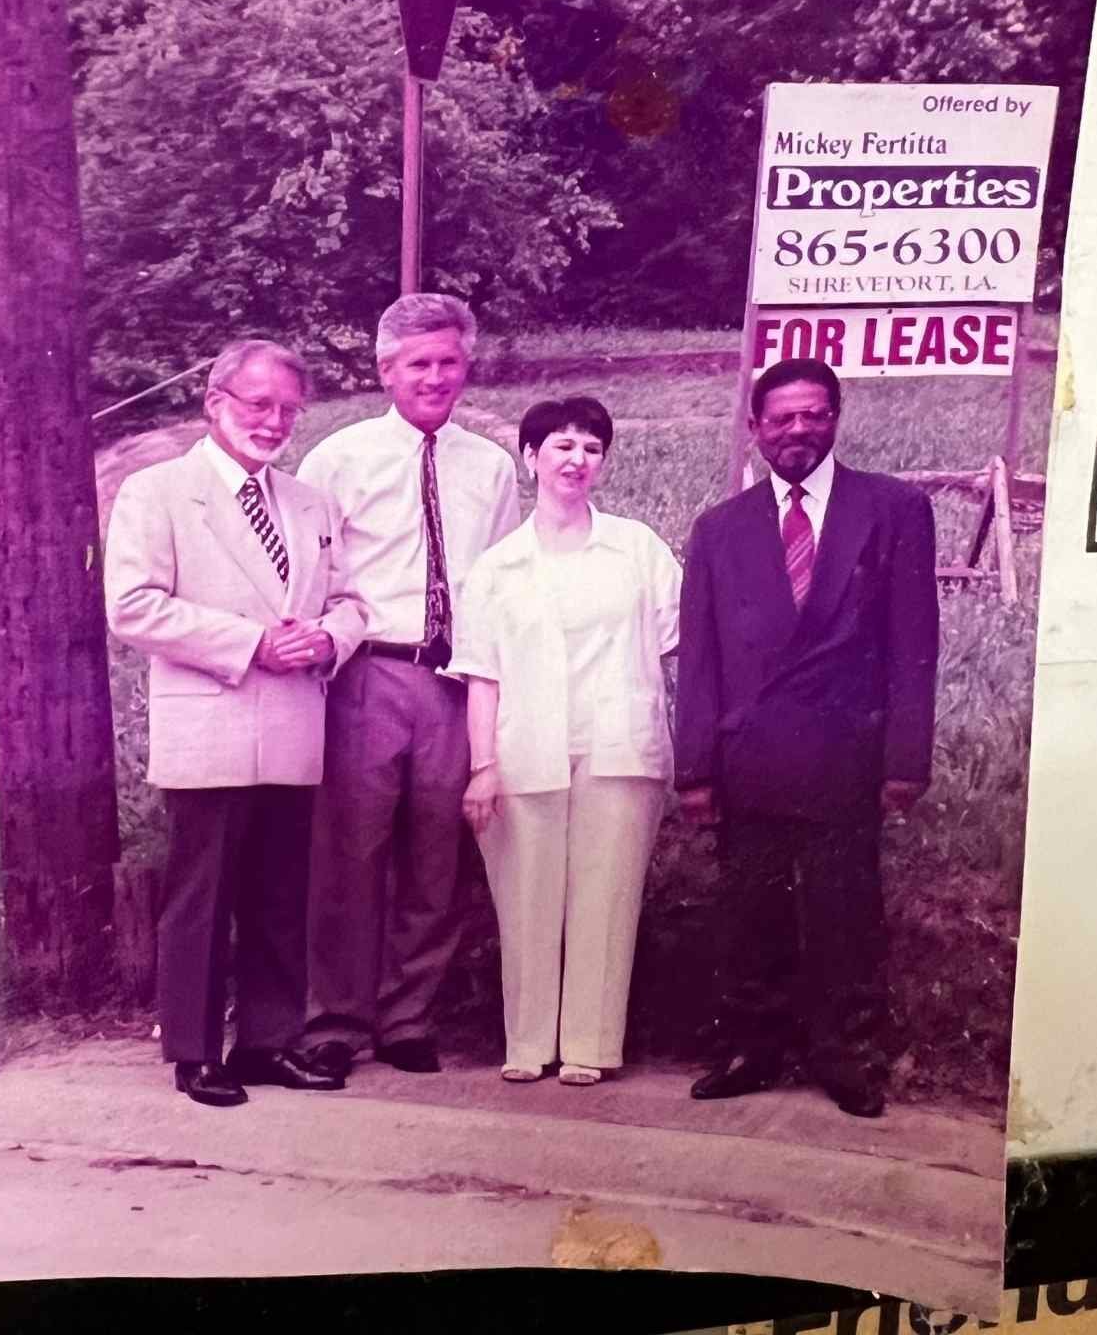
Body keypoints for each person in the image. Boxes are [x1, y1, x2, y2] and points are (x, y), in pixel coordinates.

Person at [103, 338, 366, 1109]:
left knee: (283, 896)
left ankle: (266, 1042)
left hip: (293, 723)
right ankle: (193, 1050)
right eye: (258, 404)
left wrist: (329, 639)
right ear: (214, 401)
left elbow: (350, 602)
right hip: (210, 723)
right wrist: (252, 643)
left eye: (288, 409)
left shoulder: (310, 502)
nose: (274, 421)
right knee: (203, 896)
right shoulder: (156, 492)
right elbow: (133, 605)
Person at [675, 356, 939, 1120]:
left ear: (835, 418)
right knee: (749, 914)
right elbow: (702, 659)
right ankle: (750, 1049)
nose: (798, 430)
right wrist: (696, 769)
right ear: (755, 430)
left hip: (846, 756)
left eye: (813, 414)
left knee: (843, 915)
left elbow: (914, 646)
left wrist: (905, 761)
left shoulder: (891, 510)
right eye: (781, 418)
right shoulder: (721, 529)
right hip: (748, 756)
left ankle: (845, 1056)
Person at [296, 293, 520, 1079]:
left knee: (437, 856)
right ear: (385, 369)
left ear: (467, 366)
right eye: (417, 363)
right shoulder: (336, 460)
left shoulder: (490, 467)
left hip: (454, 680)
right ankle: (334, 1019)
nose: (435, 377)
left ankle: (407, 1016)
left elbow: (498, 581)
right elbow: (311, 572)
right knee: (349, 851)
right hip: (367, 672)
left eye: (449, 362)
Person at [455, 396, 682, 1086]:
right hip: (526, 752)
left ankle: (588, 1045)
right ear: (530, 457)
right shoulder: (497, 568)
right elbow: (481, 677)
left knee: (606, 901)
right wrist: (482, 767)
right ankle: (526, 1044)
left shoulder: (637, 548)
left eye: (591, 448)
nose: (576, 460)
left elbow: (680, 646)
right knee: (526, 901)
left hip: (620, 749)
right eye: (561, 446)